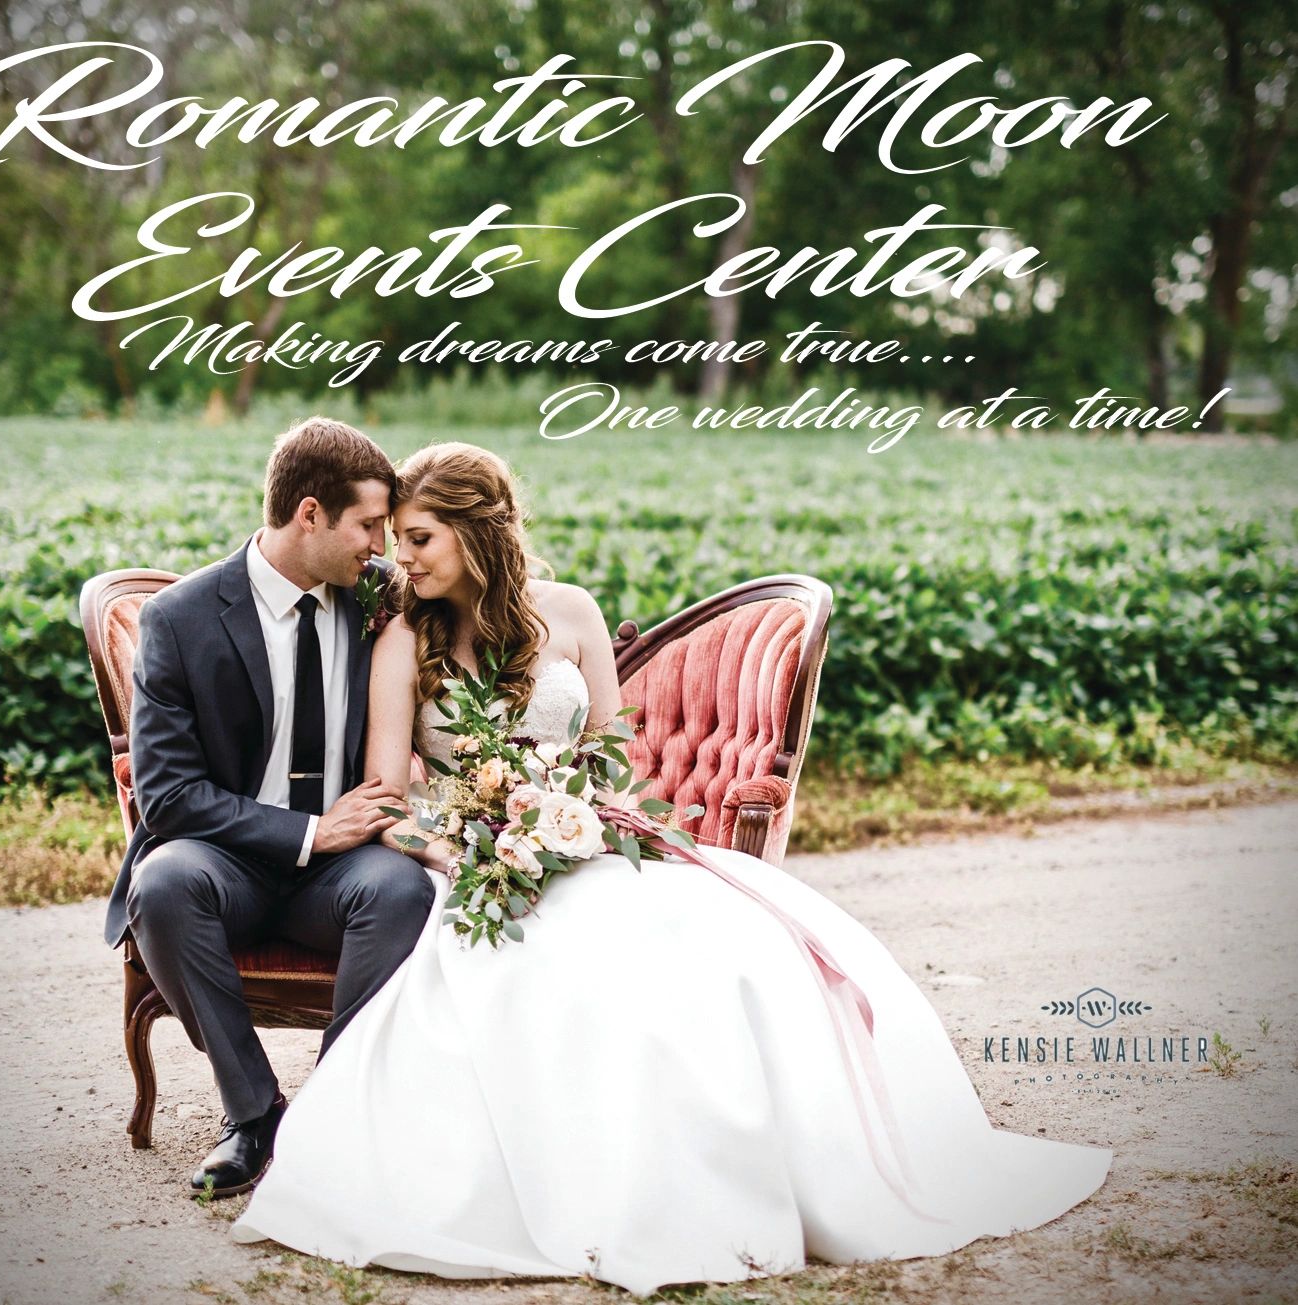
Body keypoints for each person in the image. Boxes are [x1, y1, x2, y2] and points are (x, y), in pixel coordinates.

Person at [232, 441, 1111, 1294]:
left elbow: (617, 758)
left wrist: (564, 817)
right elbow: (386, 794)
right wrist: (464, 842)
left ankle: (749, 1162)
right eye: (395, 537)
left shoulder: (569, 613)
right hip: (472, 864)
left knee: (715, 940)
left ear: (477, 533)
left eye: (419, 537)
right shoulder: (402, 643)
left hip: (583, 841)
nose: (399, 556)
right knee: (533, 961)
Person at [103, 416, 435, 1199]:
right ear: (309, 514)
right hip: (228, 863)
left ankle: (335, 1111)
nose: (380, 546)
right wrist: (312, 831)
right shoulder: (180, 620)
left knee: (402, 890)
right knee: (164, 881)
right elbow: (169, 795)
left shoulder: (377, 595)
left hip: (344, 874)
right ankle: (253, 1113)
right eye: (367, 525)